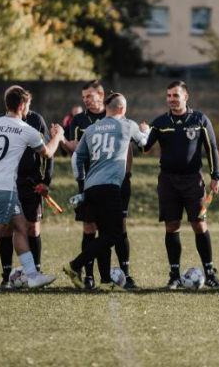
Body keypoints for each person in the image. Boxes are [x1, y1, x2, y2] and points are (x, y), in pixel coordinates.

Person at [0, 85, 63, 293]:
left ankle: (33, 276)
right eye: (27, 104)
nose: (28, 108)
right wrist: (58, 135)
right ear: (21, 105)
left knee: (20, 227)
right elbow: (48, 153)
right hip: (5, 189)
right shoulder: (26, 129)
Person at [63, 93, 149, 290]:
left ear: (106, 109)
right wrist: (147, 130)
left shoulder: (92, 128)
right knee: (114, 234)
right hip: (111, 186)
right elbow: (143, 143)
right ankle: (74, 265)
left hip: (91, 186)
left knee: (103, 234)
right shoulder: (127, 124)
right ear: (122, 109)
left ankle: (104, 282)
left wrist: (82, 183)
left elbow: (77, 158)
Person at [143, 81, 219, 289]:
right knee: (172, 226)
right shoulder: (160, 122)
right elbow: (144, 147)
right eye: (168, 95)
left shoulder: (199, 119)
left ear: (186, 97)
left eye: (175, 95)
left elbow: (212, 147)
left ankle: (210, 273)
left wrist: (216, 175)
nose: (171, 99)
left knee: (199, 224)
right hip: (168, 181)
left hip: (193, 181)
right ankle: (174, 275)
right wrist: (141, 133)